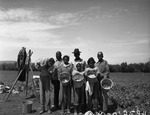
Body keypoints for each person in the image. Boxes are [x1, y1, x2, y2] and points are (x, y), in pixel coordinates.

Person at [72, 48, 86, 113]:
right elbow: (72, 72)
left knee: (82, 95)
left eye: (77, 53)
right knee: (76, 95)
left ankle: (80, 109)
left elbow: (85, 71)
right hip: (75, 81)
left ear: (79, 54)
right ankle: (75, 110)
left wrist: (82, 74)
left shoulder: (83, 61)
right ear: (74, 54)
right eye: (75, 54)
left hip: (82, 80)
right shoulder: (72, 62)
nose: (76, 55)